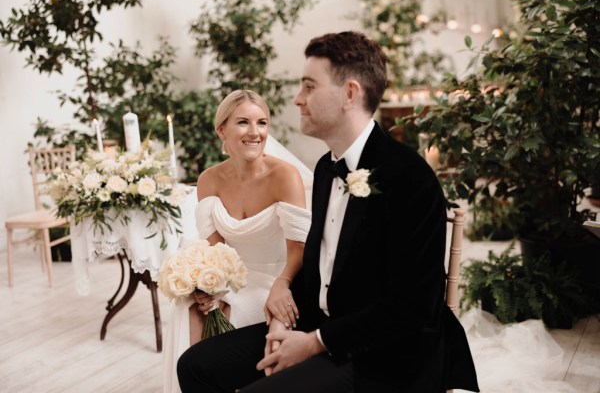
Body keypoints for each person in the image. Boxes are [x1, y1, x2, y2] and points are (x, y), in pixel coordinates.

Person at [177, 31, 480, 392]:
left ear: (349, 94)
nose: (297, 100)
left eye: (308, 87)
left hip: (386, 354)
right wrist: (279, 319)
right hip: (316, 324)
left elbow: (410, 308)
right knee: (195, 365)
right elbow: (320, 275)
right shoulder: (325, 169)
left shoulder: (409, 178)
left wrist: (317, 342)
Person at [162, 89, 313, 393]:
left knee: (227, 309)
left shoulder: (285, 176)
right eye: (243, 122)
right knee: (190, 305)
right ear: (222, 130)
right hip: (236, 276)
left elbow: (300, 250)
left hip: (279, 279)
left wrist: (281, 283)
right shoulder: (209, 179)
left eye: (262, 123)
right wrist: (209, 285)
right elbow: (215, 250)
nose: (255, 132)